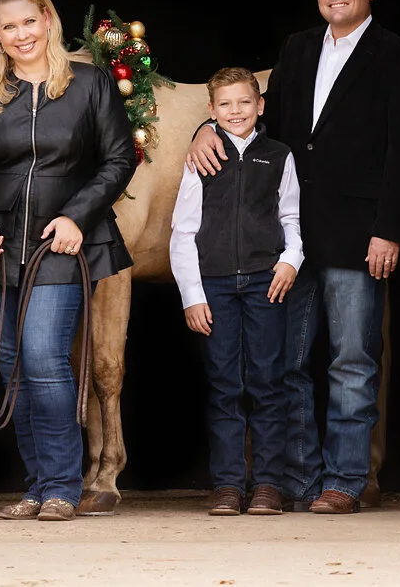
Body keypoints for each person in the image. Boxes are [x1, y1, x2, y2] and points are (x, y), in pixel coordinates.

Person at [186, 0, 400, 514]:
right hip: (290, 242)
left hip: (359, 235)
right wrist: (206, 127)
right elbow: (257, 116)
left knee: (351, 360)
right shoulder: (298, 48)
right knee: (285, 364)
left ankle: (344, 482)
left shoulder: (399, 56)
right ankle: (297, 480)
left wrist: (389, 230)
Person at [0, 0, 137, 522]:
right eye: (9, 26)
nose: (22, 33)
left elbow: (118, 160)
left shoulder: (89, 83)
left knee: (45, 360)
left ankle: (61, 486)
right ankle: (36, 486)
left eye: (29, 21)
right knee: (12, 367)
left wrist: (78, 216)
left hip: (62, 241)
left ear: (48, 19)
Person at [170, 67, 303, 516]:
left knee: (268, 382)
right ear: (211, 111)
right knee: (225, 384)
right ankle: (228, 484)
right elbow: (183, 230)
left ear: (260, 105)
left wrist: (290, 260)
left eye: (244, 102)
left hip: (267, 284)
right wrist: (193, 294)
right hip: (217, 287)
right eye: (225, 104)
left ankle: (267, 484)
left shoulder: (279, 156)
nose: (236, 111)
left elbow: (292, 219)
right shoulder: (202, 158)